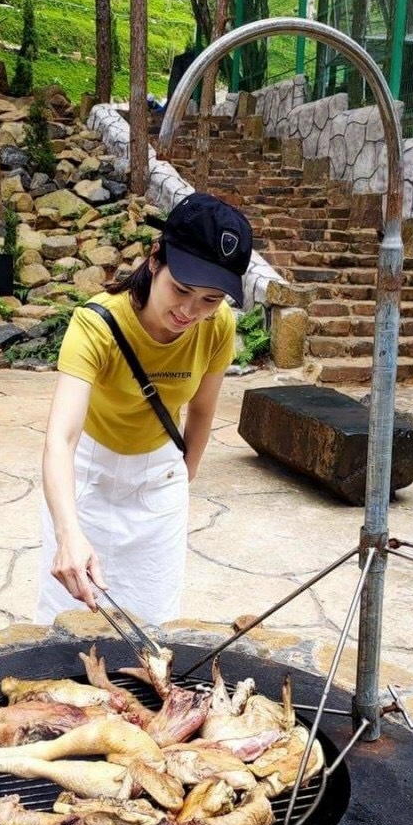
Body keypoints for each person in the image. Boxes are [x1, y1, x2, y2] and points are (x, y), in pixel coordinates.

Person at [35, 191, 253, 626]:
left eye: (210, 299)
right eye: (181, 289)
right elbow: (61, 437)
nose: (189, 311)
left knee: (154, 623)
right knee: (69, 621)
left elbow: (203, 410)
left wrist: (183, 475)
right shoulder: (96, 324)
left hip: (159, 478)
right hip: (89, 474)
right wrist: (68, 532)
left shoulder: (217, 326)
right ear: (155, 260)